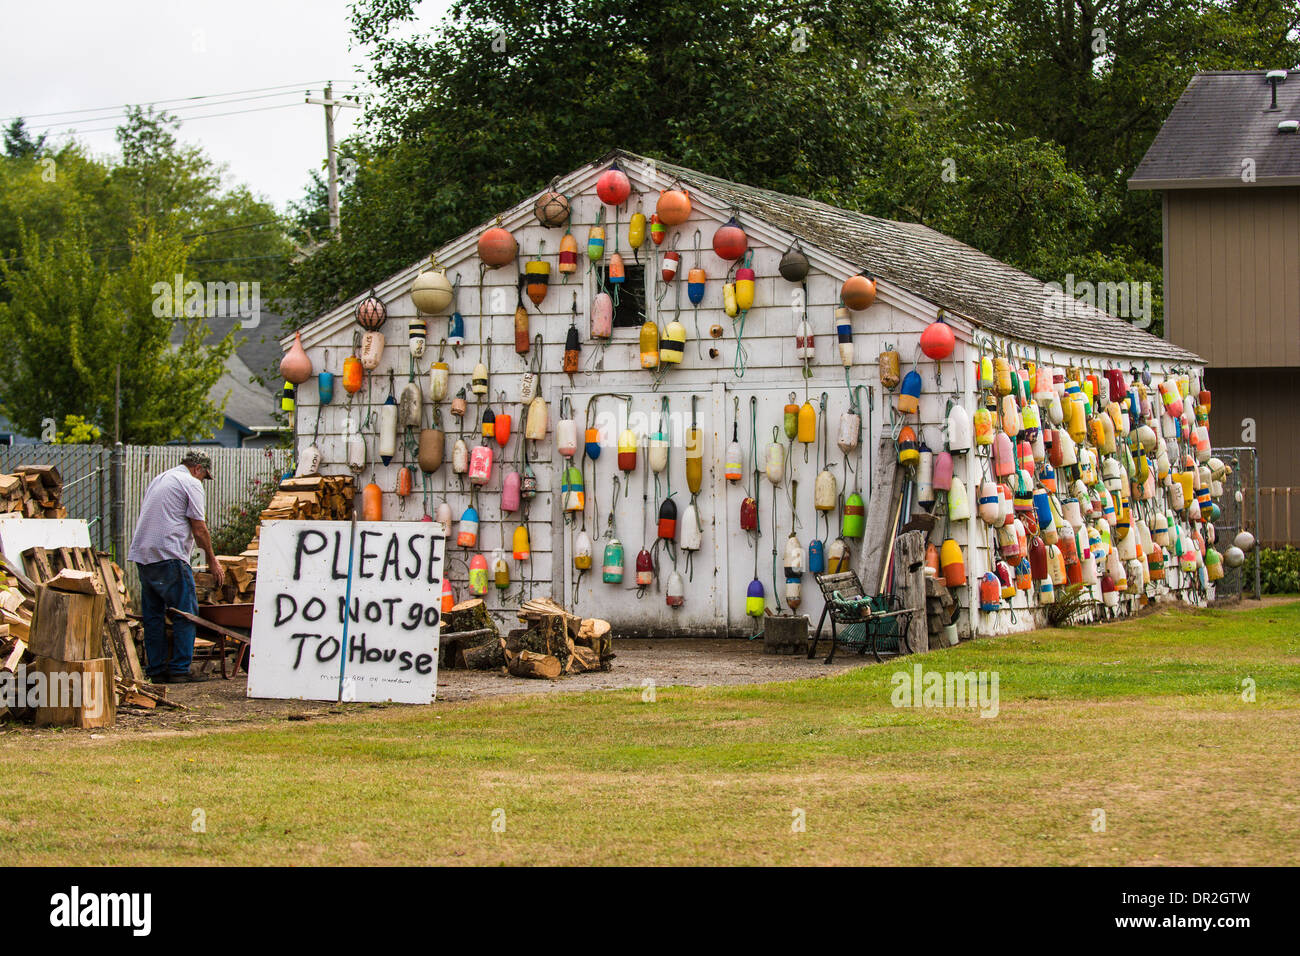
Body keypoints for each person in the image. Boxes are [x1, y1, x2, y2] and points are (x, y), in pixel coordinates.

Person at [128, 451, 225, 683]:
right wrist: (212, 560)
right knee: (185, 612)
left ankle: (157, 670)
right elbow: (199, 528)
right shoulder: (191, 483)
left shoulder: (161, 478)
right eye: (204, 476)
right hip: (169, 554)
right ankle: (180, 669)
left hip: (144, 554)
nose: (203, 480)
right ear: (198, 469)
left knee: (153, 616)